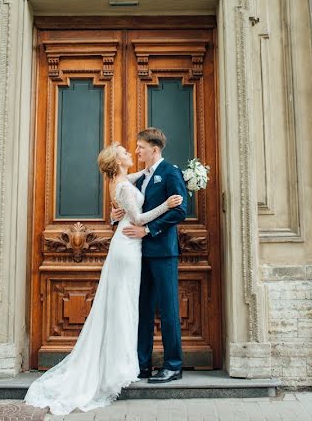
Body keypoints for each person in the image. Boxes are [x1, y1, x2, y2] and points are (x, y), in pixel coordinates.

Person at [24, 141, 183, 416]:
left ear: (154, 149)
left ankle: (133, 363)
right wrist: (166, 205)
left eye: (138, 148)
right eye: (125, 151)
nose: (131, 152)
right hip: (129, 248)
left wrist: (116, 213)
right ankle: (124, 367)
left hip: (134, 248)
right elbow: (138, 217)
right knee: (125, 306)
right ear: (117, 161)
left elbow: (139, 181)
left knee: (128, 306)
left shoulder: (129, 178)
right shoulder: (122, 184)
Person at [113, 127, 188, 384]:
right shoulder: (141, 178)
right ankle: (142, 364)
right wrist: (117, 217)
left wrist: (149, 230)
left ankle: (173, 365)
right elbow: (132, 206)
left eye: (141, 147)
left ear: (154, 149)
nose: (137, 151)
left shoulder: (171, 172)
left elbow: (180, 211)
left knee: (168, 311)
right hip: (138, 254)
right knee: (142, 310)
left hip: (163, 252)